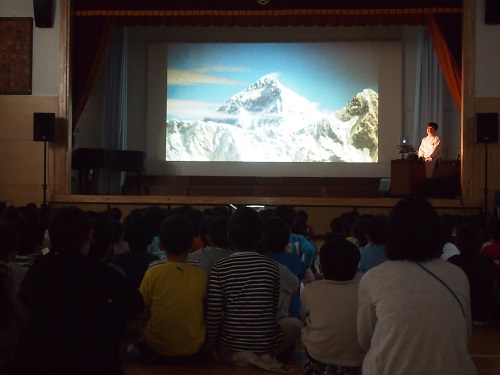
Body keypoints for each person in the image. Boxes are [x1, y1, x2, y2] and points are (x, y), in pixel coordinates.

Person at [5, 206, 145, 375]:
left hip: (40, 361)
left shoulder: (39, 269)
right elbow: (136, 304)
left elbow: (25, 299)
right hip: (91, 361)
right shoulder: (99, 271)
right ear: (89, 235)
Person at [357, 197, 477, 375]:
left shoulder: (374, 278)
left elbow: (365, 339)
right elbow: (464, 334)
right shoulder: (457, 275)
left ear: (391, 234)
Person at [206, 207, 297, 370]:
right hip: (266, 344)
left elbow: (213, 312)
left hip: (230, 345)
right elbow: (274, 308)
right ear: (262, 236)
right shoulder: (272, 267)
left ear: (229, 236)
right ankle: (264, 356)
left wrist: (212, 346)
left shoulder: (219, 268)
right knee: (295, 324)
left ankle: (241, 356)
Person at [136, 215, 208, 364]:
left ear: (161, 245)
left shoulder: (153, 272)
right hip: (193, 348)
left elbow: (142, 312)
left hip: (157, 347)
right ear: (191, 246)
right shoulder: (201, 274)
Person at [301, 238, 366, 375]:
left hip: (319, 356)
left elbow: (303, 318)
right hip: (360, 359)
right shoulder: (366, 288)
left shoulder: (311, 289)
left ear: (321, 267)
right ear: (356, 267)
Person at [448, 219, 495, 325]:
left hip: (459, 316)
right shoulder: (487, 261)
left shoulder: (453, 262)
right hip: (483, 316)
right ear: (481, 243)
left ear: (458, 243)